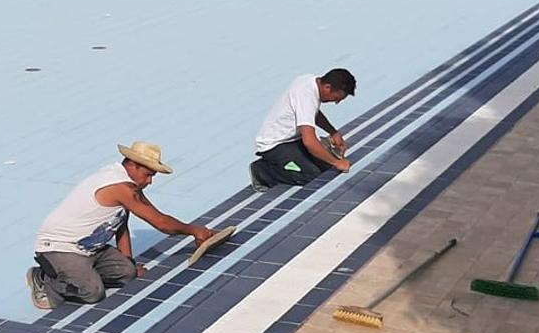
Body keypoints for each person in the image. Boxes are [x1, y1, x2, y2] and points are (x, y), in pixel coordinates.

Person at [26, 141, 217, 310]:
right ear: (132, 165)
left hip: (89, 249)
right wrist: (195, 231)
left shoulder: (127, 182)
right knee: (92, 292)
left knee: (127, 273)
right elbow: (161, 222)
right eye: (148, 174)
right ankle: (44, 278)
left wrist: (130, 266)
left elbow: (121, 225)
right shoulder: (120, 187)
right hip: (60, 247)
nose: (150, 181)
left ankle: (80, 273)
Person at [249, 68, 357, 191]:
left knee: (326, 167)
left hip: (293, 140)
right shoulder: (307, 94)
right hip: (275, 145)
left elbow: (312, 112)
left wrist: (333, 132)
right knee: (312, 176)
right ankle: (262, 172)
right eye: (336, 98)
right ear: (327, 87)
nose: (336, 102)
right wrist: (337, 162)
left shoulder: (311, 81)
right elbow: (309, 142)